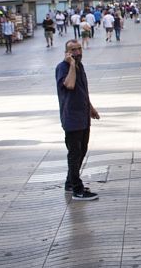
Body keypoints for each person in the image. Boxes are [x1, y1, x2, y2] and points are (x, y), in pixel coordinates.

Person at [56, 40, 100, 200]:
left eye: (79, 48)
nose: (77, 52)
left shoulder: (80, 66)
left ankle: (70, 182)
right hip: (71, 118)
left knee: (82, 151)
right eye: (73, 50)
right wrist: (72, 65)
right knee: (74, 154)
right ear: (67, 53)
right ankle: (77, 190)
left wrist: (91, 108)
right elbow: (70, 85)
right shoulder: (63, 67)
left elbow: (82, 90)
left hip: (82, 117)